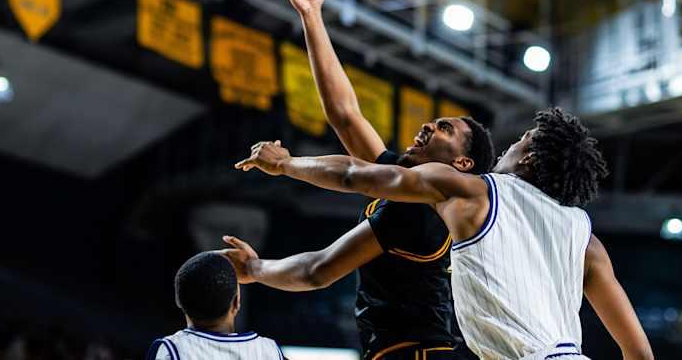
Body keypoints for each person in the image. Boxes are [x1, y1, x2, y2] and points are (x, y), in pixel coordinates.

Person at [235, 108, 654, 360]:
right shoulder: (586, 240)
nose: (507, 146)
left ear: (529, 158)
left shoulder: (473, 191)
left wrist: (285, 164)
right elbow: (638, 352)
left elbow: (353, 174)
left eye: (519, 141)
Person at [222, 0, 494, 360]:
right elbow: (346, 116)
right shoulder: (410, 186)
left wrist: (255, 268)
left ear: (462, 163)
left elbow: (318, 270)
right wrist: (311, 15)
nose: (428, 126)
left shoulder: (419, 208)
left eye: (444, 129)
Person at [147, 252, 285, 360]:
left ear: (178, 301)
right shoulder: (270, 350)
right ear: (236, 302)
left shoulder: (172, 349)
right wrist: (257, 267)